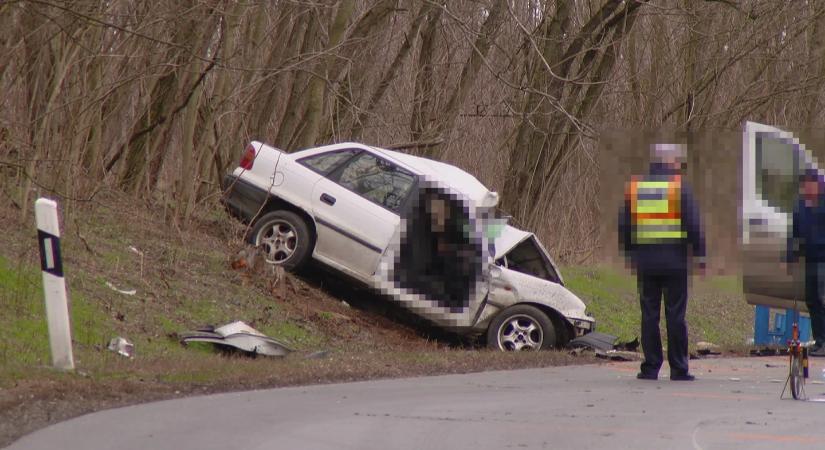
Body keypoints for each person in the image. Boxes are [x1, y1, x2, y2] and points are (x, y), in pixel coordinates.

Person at [618, 143, 706, 381]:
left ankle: (651, 367)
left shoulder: (636, 188)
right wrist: (700, 255)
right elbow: (694, 225)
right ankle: (678, 368)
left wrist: (630, 253)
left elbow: (624, 225)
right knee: (676, 315)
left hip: (646, 263)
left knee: (649, 314)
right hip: (676, 263)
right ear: (672, 162)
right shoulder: (679, 188)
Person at [786, 169, 825, 356]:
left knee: (822, 298)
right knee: (811, 300)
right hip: (809, 259)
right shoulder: (800, 206)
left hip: (823, 259)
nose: (808, 187)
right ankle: (819, 341)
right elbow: (793, 234)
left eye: (812, 183)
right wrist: (790, 256)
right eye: (806, 183)